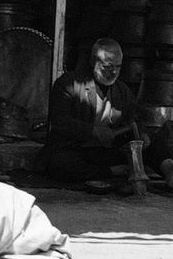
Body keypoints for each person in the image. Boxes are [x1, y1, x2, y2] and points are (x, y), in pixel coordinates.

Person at [43, 38, 141, 194]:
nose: (114, 72)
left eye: (118, 67)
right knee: (60, 164)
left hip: (102, 152)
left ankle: (171, 171)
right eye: (108, 67)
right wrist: (92, 131)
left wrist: (141, 137)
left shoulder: (123, 91)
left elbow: (132, 123)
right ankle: (110, 172)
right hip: (74, 149)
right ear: (92, 62)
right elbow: (59, 121)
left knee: (150, 144)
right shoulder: (68, 84)